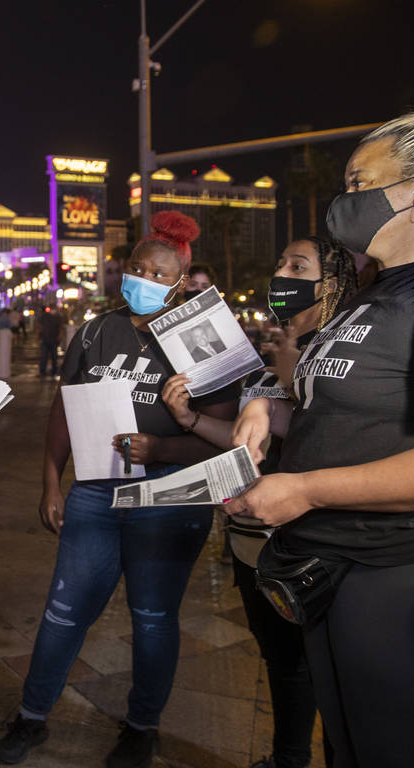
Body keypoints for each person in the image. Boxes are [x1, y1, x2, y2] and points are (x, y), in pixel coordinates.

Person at [228, 86, 414, 768]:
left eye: (360, 183)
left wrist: (307, 490)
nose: (345, 200)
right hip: (338, 573)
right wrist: (263, 410)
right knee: (347, 749)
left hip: (410, 577)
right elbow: (335, 411)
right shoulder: (373, 296)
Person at [0, 212, 240, 767]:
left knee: (152, 618)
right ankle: (32, 716)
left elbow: (225, 438)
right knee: (63, 610)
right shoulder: (95, 331)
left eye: (159, 272)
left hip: (171, 498)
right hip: (98, 490)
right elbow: (65, 406)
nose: (144, 279)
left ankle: (142, 727)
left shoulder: (208, 338)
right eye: (136, 268)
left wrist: (162, 451)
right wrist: (51, 480)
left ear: (179, 282)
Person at [163, 236, 358, 768]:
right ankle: (287, 758)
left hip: (314, 550)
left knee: (326, 669)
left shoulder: (347, 352)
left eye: (299, 266)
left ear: (333, 284)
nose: (282, 275)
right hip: (253, 548)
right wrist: (191, 421)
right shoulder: (265, 361)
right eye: (280, 264)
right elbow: (244, 435)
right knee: (280, 661)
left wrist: (284, 388)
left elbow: (325, 433)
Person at [37, 306, 63, 377]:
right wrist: (39, 335)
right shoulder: (44, 316)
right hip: (45, 339)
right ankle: (42, 371)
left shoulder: (58, 317)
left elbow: (60, 328)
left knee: (54, 356)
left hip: (54, 339)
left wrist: (59, 337)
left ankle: (54, 371)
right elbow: (40, 326)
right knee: (44, 356)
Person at [0, 306, 14, 379]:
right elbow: (10, 326)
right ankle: (5, 373)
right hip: (6, 335)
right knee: (6, 354)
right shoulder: (7, 319)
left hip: (1, 335)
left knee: (2, 354)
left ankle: (2, 373)